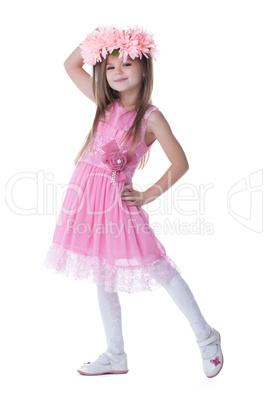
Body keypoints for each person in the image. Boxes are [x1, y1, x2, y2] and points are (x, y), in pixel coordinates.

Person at [43, 25, 223, 378]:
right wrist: (98, 37)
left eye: (127, 63)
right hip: (87, 203)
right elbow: (69, 65)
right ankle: (115, 355)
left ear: (144, 68)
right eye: (110, 66)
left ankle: (207, 337)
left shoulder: (150, 117)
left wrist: (146, 195)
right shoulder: (104, 104)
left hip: (118, 204)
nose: (118, 71)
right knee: (102, 275)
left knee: (159, 267)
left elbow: (180, 163)